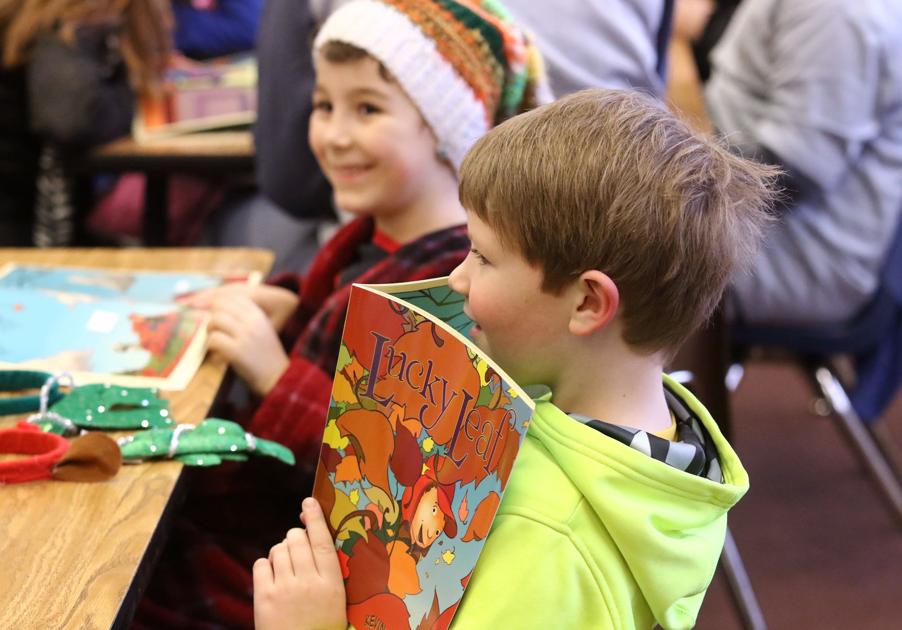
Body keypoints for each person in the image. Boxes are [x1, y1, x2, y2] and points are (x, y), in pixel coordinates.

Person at [254, 88, 776, 630]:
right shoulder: (665, 444)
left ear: (587, 302)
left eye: (482, 256)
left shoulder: (546, 537)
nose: (457, 278)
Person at [135, 1, 548, 627]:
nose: (333, 134)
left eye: (367, 109)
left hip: (304, 567)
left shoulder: (447, 292)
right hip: (271, 518)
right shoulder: (371, 234)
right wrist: (296, 304)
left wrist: (277, 376)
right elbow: (345, 311)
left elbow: (389, 478)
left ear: (445, 129)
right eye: (324, 105)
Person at [705, 0, 902, 326]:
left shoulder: (834, 10)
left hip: (791, 250)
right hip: (764, 227)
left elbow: (791, 173)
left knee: (612, 254)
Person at [0, 0, 171, 246]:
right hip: (23, 228)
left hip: (34, 215)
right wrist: (129, 96)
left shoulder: (34, 20)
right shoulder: (60, 31)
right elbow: (71, 121)